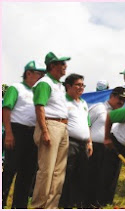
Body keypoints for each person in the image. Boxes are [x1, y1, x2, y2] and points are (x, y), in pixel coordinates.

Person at [2, 61, 45, 208]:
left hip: (32, 134)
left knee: (27, 173)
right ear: (29, 73)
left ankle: (19, 206)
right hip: (16, 131)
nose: (43, 77)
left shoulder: (39, 93)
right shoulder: (16, 88)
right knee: (10, 169)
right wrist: (8, 133)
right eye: (40, 74)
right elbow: (6, 109)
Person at [31, 52, 71, 208]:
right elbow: (39, 107)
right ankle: (38, 206)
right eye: (62, 64)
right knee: (46, 171)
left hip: (62, 127)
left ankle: (51, 206)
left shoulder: (58, 85)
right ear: (53, 66)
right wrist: (45, 131)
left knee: (58, 172)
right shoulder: (45, 83)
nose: (65, 66)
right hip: (50, 125)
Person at [88, 87, 125, 207]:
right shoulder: (98, 107)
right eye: (120, 98)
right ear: (112, 96)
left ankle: (105, 204)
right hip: (95, 147)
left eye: (124, 100)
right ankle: (89, 203)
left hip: (112, 149)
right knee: (93, 176)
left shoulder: (121, 113)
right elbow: (86, 124)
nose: (121, 102)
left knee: (108, 179)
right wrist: (88, 142)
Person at [59, 74, 93, 208]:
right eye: (78, 85)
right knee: (68, 172)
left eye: (82, 85)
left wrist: (89, 142)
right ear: (68, 86)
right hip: (68, 141)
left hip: (83, 143)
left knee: (83, 173)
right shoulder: (62, 101)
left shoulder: (83, 103)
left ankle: (80, 204)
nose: (81, 88)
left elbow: (87, 124)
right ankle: (65, 204)